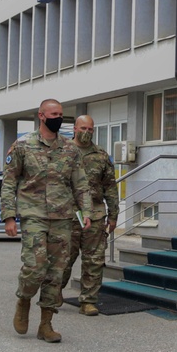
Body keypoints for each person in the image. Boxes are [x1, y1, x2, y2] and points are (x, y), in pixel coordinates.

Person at [1, 99, 92, 343]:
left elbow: (80, 184)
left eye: (61, 114)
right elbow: (9, 182)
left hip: (62, 217)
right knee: (35, 266)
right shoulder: (22, 146)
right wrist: (9, 215)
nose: (59, 118)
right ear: (41, 116)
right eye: (54, 114)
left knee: (56, 272)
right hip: (33, 215)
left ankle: (46, 323)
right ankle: (24, 299)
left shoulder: (70, 149)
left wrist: (86, 213)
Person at [59, 115, 120, 316]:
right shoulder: (62, 151)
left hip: (94, 214)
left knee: (94, 260)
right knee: (64, 258)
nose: (87, 132)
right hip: (68, 214)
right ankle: (54, 294)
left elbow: (110, 186)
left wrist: (113, 215)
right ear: (75, 129)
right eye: (83, 128)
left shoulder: (101, 155)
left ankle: (88, 301)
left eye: (91, 129)